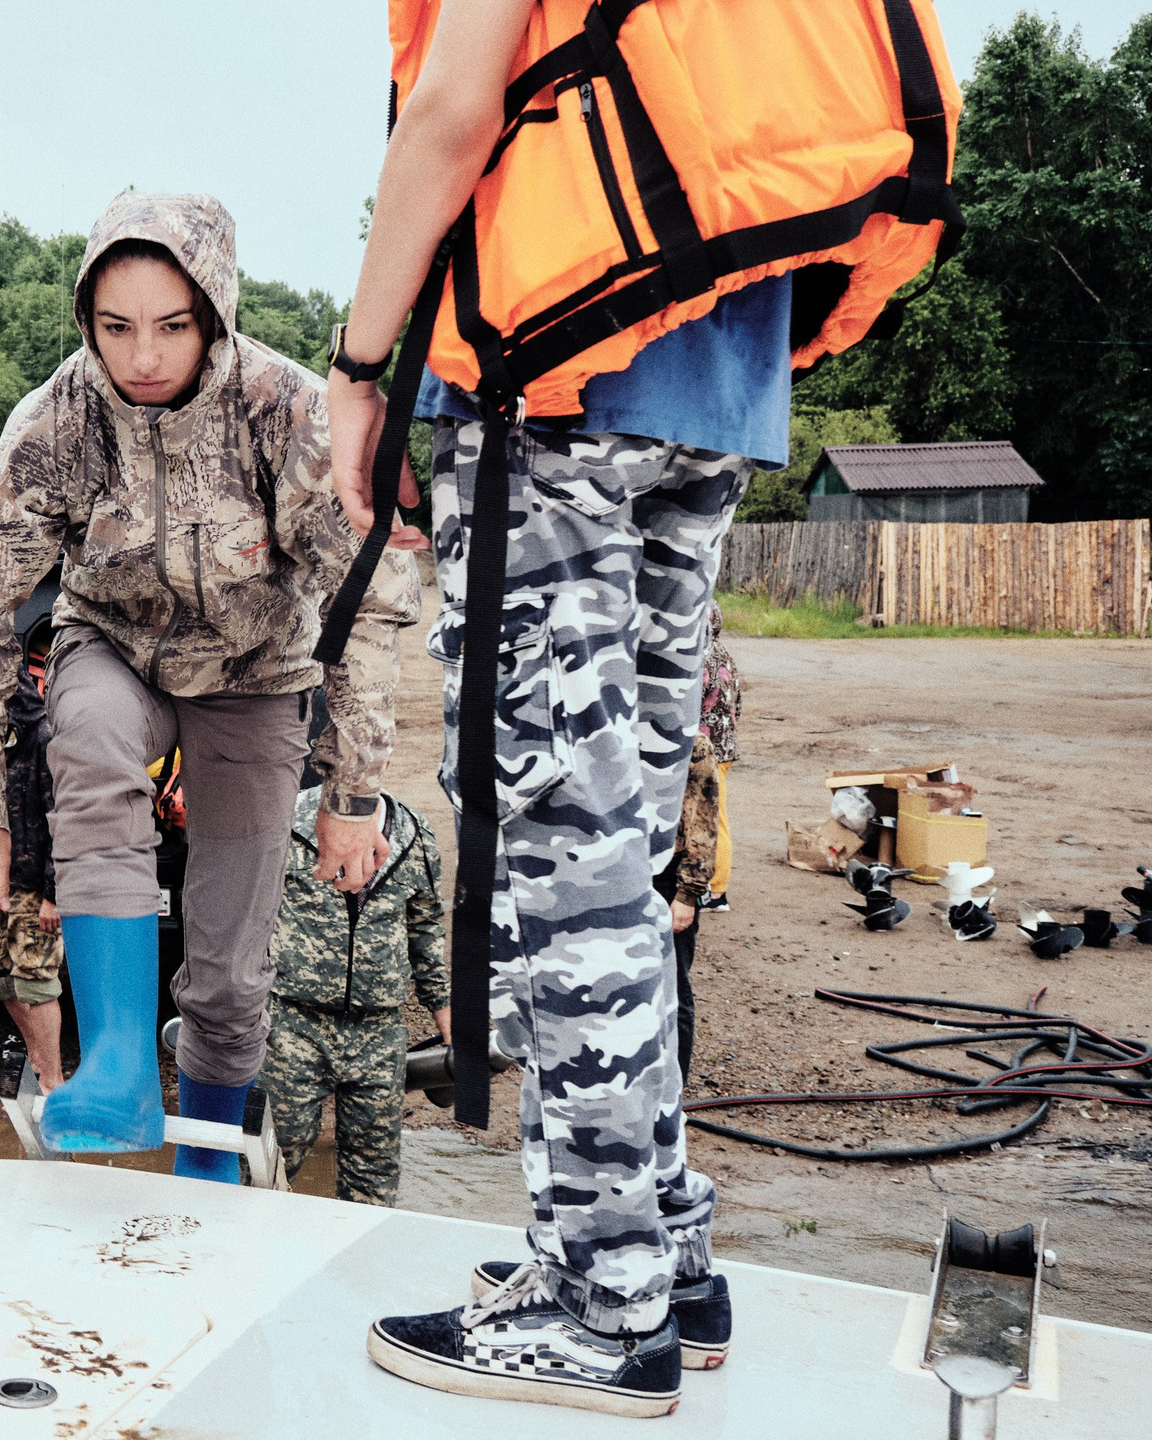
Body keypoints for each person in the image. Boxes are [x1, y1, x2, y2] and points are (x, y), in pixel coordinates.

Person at [326, 0, 955, 1411]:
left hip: (556, 394)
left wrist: (360, 371)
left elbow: (454, 113)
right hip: (712, 395)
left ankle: (607, 1309)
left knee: (567, 863)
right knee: (622, 856)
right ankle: (653, 1255)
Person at [0, 192, 418, 1181]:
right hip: (111, 643)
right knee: (96, 741)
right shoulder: (55, 425)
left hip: (255, 677)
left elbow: (372, 594)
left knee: (234, 969)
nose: (142, 356)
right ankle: (114, 1064)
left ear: (215, 313)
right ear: (86, 323)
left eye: (170, 326)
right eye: (115, 328)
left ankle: (207, 1158)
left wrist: (353, 794)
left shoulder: (286, 414)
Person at [259, 786, 447, 1205]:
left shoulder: (414, 833)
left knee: (374, 1173)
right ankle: (248, 1258)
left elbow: (426, 929)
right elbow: (245, 912)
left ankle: (362, 1266)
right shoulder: (284, 819)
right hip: (292, 1024)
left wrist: (446, 1017)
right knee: (270, 1159)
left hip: (379, 1032)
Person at [0, 629, 65, 1091]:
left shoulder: (44, 737)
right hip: (3, 882)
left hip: (38, 886)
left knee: (35, 978)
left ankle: (51, 1075)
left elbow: (62, 821)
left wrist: (54, 895)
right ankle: (36, 1053)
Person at [654, 734, 721, 1080]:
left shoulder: (692, 742)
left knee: (673, 989)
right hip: (620, 872)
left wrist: (687, 894)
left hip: (668, 876)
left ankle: (673, 1089)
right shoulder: (608, 726)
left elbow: (703, 820)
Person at [699, 603, 740, 911]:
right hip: (724, 748)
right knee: (717, 815)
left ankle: (716, 892)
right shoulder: (726, 655)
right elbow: (738, 705)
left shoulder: (699, 657)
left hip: (705, 750)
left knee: (711, 818)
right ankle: (714, 889)